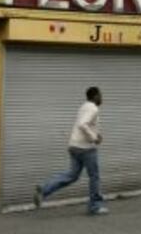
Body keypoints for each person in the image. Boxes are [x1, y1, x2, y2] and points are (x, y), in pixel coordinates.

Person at [34, 87, 107, 215]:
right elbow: (83, 124)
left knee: (72, 175)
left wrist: (97, 134)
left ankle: (44, 189)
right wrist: (94, 138)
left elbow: (85, 125)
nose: (102, 98)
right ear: (95, 96)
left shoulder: (83, 107)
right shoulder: (93, 108)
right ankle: (95, 206)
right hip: (86, 149)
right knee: (94, 177)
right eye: (100, 95)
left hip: (74, 146)